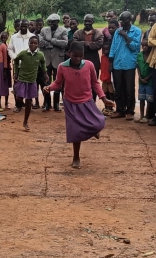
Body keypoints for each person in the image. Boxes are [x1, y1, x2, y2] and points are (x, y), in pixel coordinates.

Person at [43, 41, 114, 169]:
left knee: (99, 123)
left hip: (86, 100)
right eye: (75, 55)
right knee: (75, 131)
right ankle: (76, 157)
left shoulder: (89, 65)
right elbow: (58, 83)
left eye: (80, 56)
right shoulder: (62, 67)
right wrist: (49, 87)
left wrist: (104, 99)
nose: (77, 59)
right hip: (70, 103)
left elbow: (95, 83)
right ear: (69, 54)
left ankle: (93, 131)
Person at [108, 11, 142, 120]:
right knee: (118, 88)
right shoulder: (118, 31)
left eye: (124, 20)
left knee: (129, 89)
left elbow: (135, 47)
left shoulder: (137, 31)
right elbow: (113, 47)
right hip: (117, 64)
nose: (122, 22)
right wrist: (111, 62)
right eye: (121, 20)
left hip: (129, 64)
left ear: (130, 20)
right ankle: (120, 110)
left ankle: (130, 111)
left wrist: (126, 36)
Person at [13, 36, 46, 132]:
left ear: (38, 45)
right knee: (19, 98)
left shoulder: (40, 55)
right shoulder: (23, 54)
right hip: (22, 79)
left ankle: (25, 121)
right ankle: (19, 100)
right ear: (28, 43)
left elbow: (43, 63)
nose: (33, 45)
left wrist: (45, 73)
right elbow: (15, 60)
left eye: (35, 43)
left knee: (28, 102)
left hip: (32, 81)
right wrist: (15, 72)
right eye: (31, 43)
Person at [39, 13, 69, 112]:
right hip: (46, 60)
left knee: (58, 83)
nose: (51, 23)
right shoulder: (43, 30)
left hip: (58, 60)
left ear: (57, 22)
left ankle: (56, 104)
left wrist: (51, 40)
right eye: (49, 22)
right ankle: (47, 104)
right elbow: (40, 43)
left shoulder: (63, 30)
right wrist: (55, 43)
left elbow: (64, 43)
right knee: (46, 82)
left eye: (53, 22)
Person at [9, 21, 35, 112]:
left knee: (29, 84)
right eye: (21, 26)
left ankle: (29, 104)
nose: (23, 28)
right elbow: (10, 49)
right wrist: (14, 57)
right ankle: (18, 105)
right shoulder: (14, 37)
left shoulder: (32, 36)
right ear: (18, 26)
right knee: (17, 85)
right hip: (17, 65)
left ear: (28, 26)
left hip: (29, 65)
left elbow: (36, 48)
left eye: (25, 26)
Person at [136, 40, 155, 123]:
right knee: (141, 99)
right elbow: (138, 67)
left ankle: (147, 116)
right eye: (142, 45)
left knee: (149, 99)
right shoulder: (139, 55)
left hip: (149, 81)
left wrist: (147, 78)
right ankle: (141, 115)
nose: (144, 47)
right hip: (141, 80)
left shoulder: (152, 56)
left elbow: (153, 70)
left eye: (146, 45)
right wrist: (140, 77)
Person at [100, 41, 115, 116]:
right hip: (104, 79)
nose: (105, 51)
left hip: (110, 80)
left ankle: (111, 107)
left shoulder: (111, 58)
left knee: (111, 93)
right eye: (104, 49)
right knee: (105, 93)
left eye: (107, 49)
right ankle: (106, 107)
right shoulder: (102, 57)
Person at [0, 30, 12, 110]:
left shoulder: (8, 47)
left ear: (7, 37)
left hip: (7, 68)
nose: (3, 39)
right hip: (0, 67)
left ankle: (6, 103)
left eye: (5, 37)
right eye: (2, 38)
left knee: (6, 86)